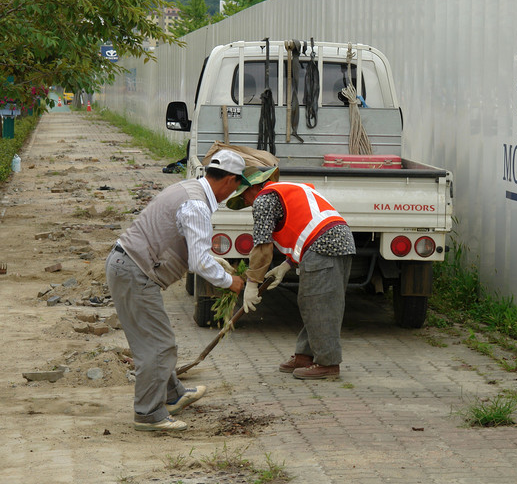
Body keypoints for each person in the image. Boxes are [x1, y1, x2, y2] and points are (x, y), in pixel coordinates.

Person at [105, 149, 247, 432]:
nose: (235, 192)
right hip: (135, 271)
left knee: (154, 340)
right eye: (238, 185)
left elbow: (187, 243)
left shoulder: (189, 189)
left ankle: (174, 395)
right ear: (230, 180)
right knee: (158, 345)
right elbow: (200, 263)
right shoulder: (197, 205)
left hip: (129, 266)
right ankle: (148, 415)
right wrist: (232, 282)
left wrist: (209, 259)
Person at [227, 166, 355, 380]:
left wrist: (252, 282)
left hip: (324, 245)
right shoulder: (286, 190)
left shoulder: (263, 199)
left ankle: (328, 364)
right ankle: (305, 355)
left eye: (244, 195)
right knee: (315, 303)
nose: (247, 202)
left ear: (255, 187)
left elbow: (262, 246)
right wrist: (287, 264)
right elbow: (302, 227)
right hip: (335, 242)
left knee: (318, 303)